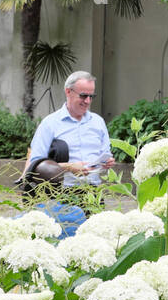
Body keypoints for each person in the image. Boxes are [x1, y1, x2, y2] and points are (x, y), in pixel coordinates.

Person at [23, 71, 116, 205]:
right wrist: (69, 167)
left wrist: (107, 162)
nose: (88, 101)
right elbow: (36, 165)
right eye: (83, 96)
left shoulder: (98, 122)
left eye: (91, 96)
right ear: (68, 92)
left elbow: (105, 154)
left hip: (94, 193)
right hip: (60, 194)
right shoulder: (50, 124)